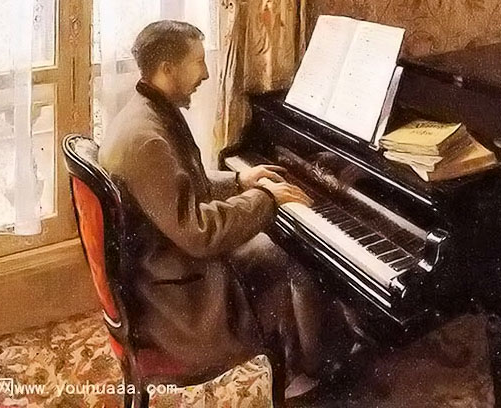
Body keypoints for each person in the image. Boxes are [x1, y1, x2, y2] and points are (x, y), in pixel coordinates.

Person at [98, 20, 342, 398]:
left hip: (163, 270)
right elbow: (200, 234)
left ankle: (306, 358)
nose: (207, 73)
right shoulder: (147, 139)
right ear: (167, 70)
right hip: (175, 304)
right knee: (297, 256)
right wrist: (266, 198)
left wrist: (241, 182)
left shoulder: (145, 112)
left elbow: (180, 184)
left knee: (277, 249)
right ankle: (316, 370)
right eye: (197, 62)